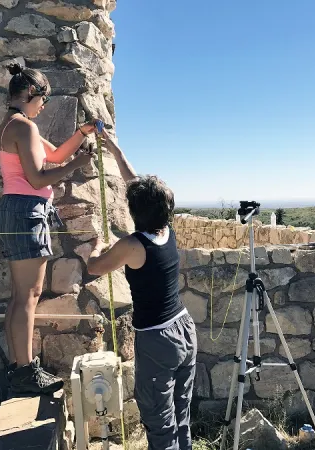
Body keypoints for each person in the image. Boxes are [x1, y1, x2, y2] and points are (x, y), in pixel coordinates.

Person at [86, 132, 197, 450]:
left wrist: (96, 244)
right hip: (184, 328)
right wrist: (115, 150)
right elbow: (135, 182)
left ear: (135, 209)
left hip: (157, 339)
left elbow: (95, 267)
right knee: (181, 412)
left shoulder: (133, 245)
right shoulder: (167, 232)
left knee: (160, 421)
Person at [0, 63, 95, 395]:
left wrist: (81, 133)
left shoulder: (17, 126)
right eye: (43, 99)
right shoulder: (23, 128)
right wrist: (76, 166)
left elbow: (53, 155)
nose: (44, 106)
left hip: (16, 210)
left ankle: (17, 367)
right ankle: (25, 372)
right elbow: (39, 177)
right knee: (29, 295)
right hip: (27, 211)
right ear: (30, 94)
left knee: (20, 296)